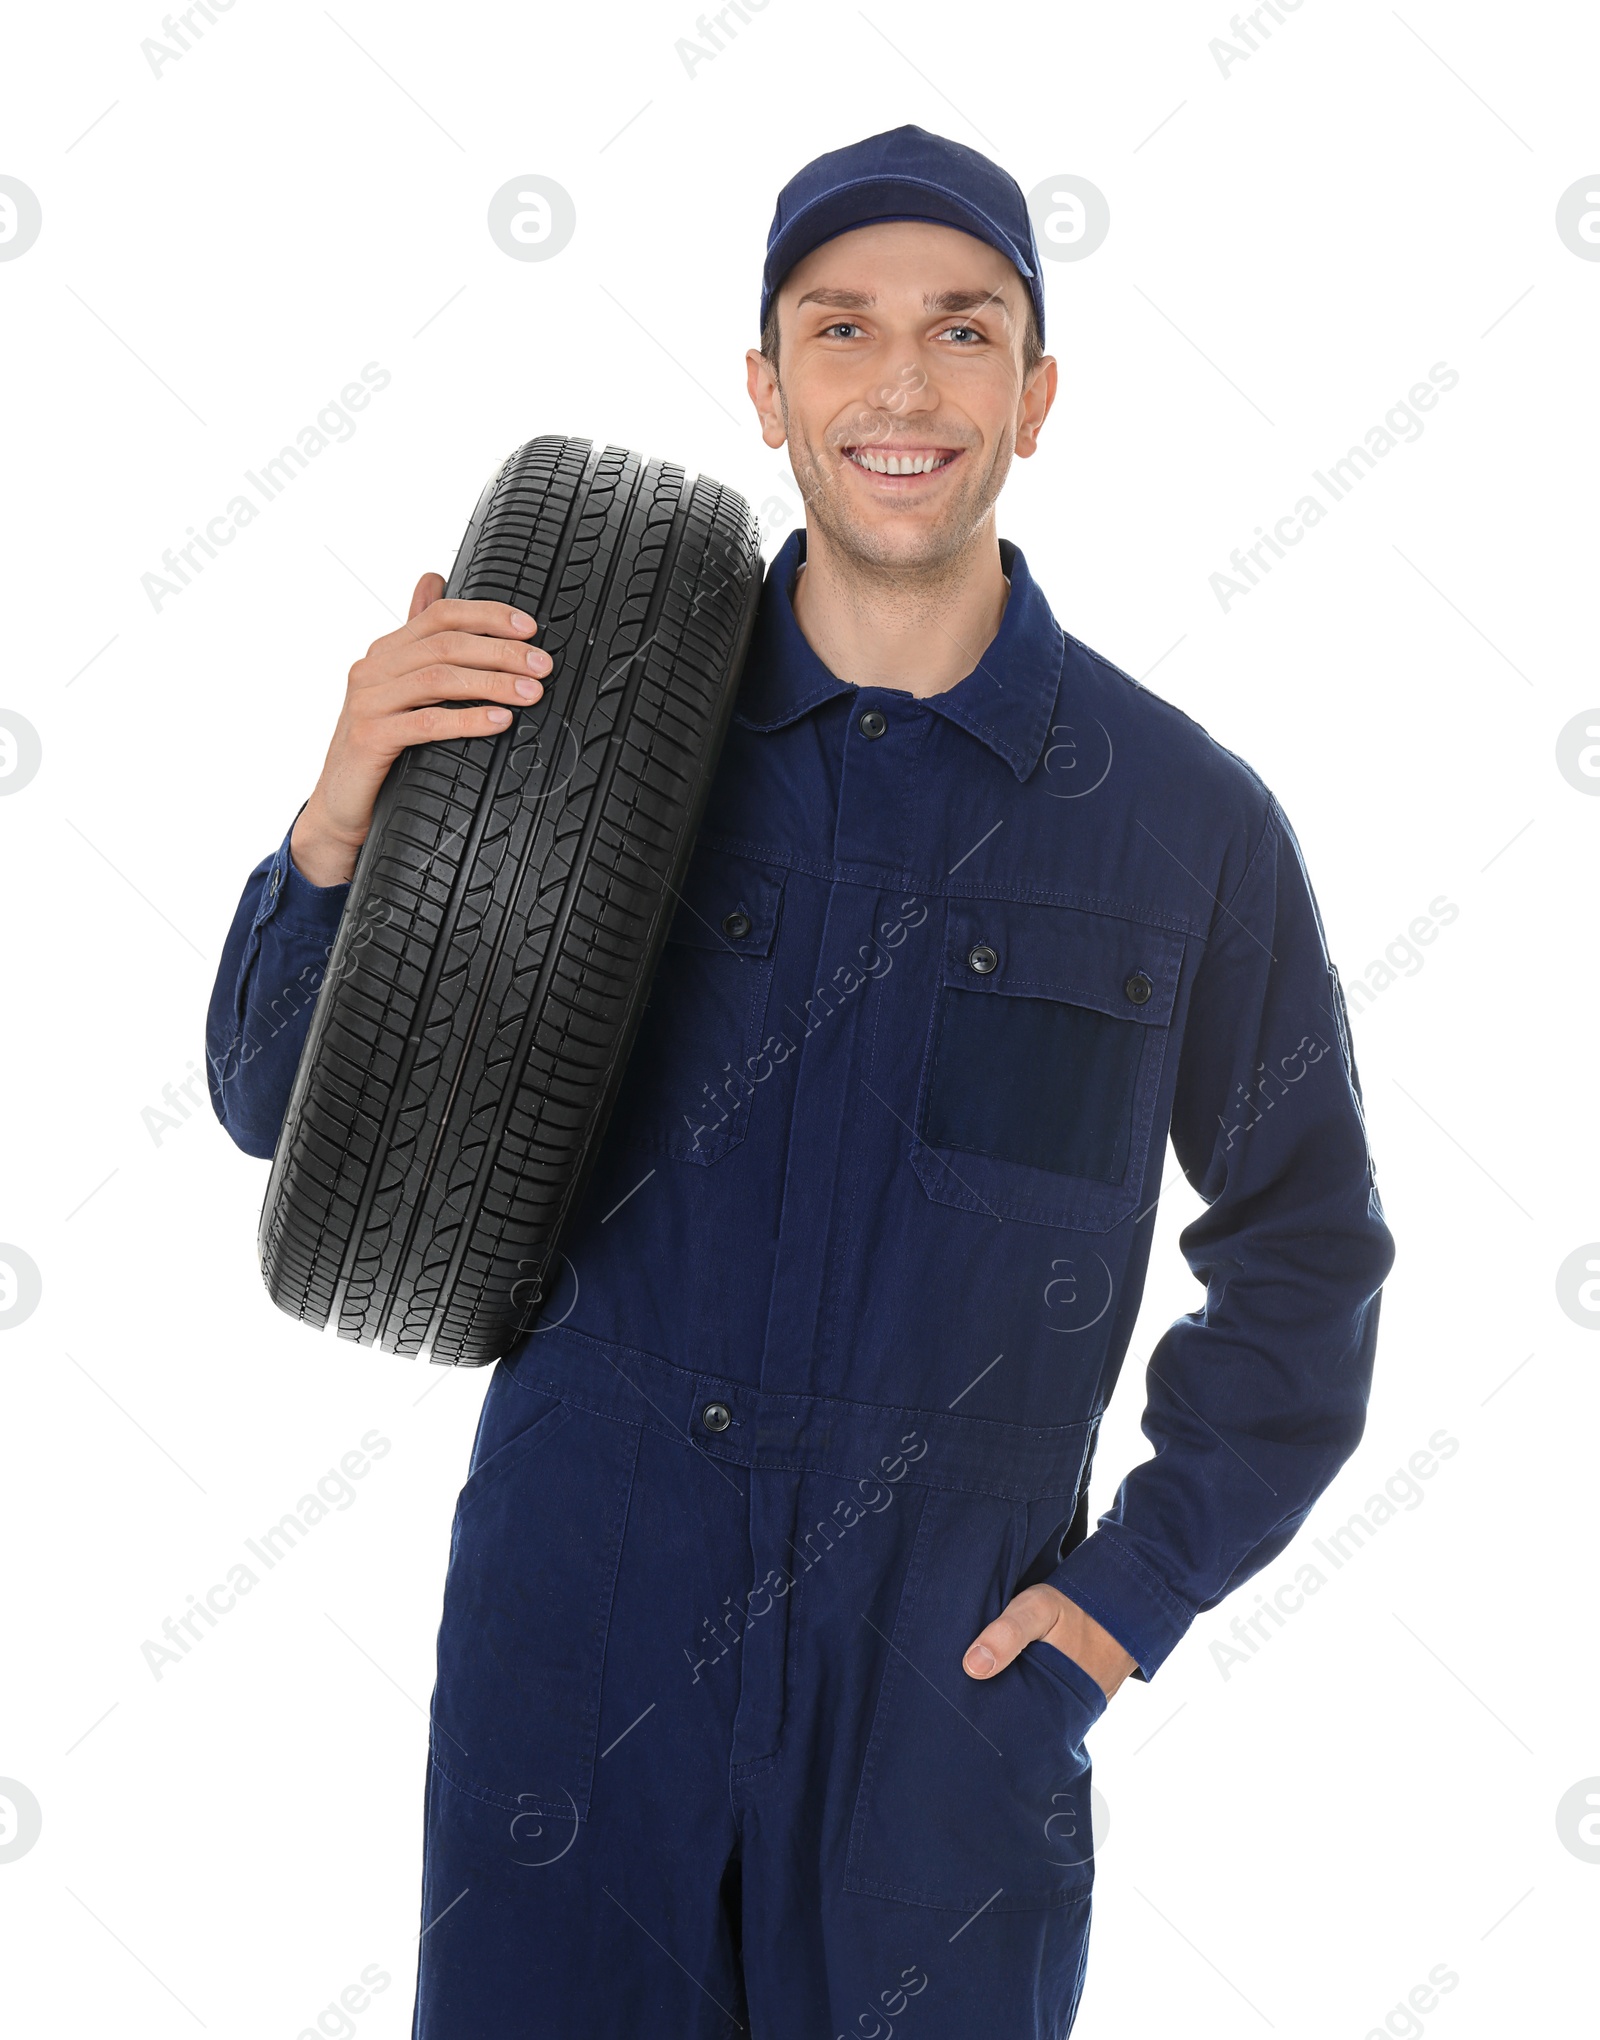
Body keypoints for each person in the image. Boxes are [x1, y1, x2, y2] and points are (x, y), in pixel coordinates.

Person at [207, 125, 1395, 2039]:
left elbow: (1311, 1253)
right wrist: (342, 817)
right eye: (841, 331)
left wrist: (1124, 1605)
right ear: (767, 392)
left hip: (942, 1701)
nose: (903, 385)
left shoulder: (1185, 826)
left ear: (1039, 392)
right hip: (578, 1650)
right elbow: (283, 1109)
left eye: (964, 331)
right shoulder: (555, 713)